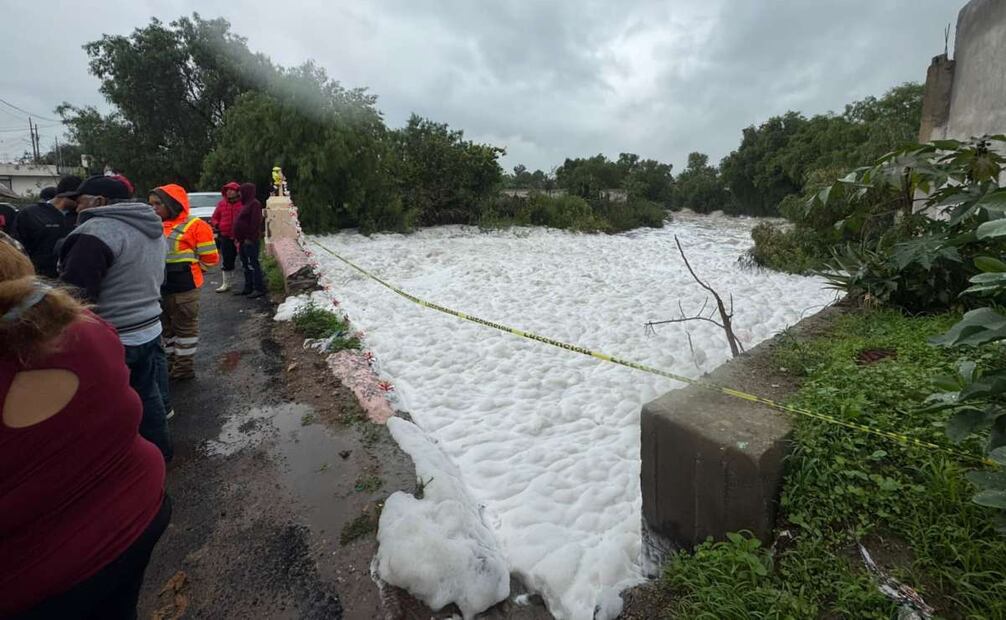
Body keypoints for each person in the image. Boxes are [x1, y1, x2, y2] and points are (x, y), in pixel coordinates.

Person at [0, 238, 170, 618]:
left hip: (37, 581)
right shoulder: (89, 331)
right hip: (137, 510)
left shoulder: (93, 238)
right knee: (151, 390)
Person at [58, 175, 173, 461]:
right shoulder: (152, 227)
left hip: (114, 335)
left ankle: (126, 466)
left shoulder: (96, 232)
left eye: (80, 201)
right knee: (147, 394)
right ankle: (160, 454)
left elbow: (74, 295)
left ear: (100, 201)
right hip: (148, 327)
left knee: (111, 405)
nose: (76, 207)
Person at [149, 184, 219, 381]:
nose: (153, 208)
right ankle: (171, 363)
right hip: (159, 289)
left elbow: (210, 258)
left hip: (184, 290)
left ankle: (184, 369)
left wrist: (193, 272)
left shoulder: (196, 226)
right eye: (151, 204)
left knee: (185, 330)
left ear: (172, 204)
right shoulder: (152, 225)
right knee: (166, 330)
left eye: (158, 204)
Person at [12, 175, 81, 278]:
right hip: (37, 277)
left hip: (71, 277)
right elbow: (17, 246)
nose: (82, 202)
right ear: (70, 196)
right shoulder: (30, 214)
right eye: (80, 198)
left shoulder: (80, 216)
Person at [233, 182, 266, 298]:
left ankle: (259, 288)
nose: (239, 195)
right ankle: (248, 287)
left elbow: (255, 223)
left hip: (250, 240)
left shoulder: (254, 204)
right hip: (242, 240)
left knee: (253, 264)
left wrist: (250, 237)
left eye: (241, 192)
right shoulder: (245, 204)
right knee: (245, 264)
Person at [209, 181, 242, 293]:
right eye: (227, 190)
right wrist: (217, 225)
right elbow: (214, 217)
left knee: (245, 260)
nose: (229, 192)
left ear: (237, 192)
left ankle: (248, 283)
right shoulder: (221, 204)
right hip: (225, 236)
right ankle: (226, 283)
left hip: (240, 236)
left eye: (232, 190)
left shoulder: (242, 203)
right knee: (227, 260)